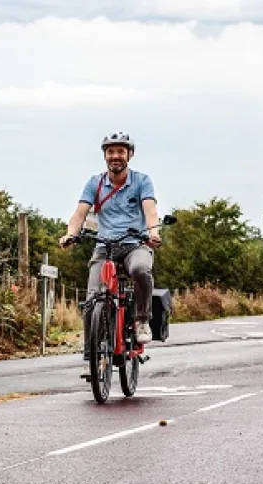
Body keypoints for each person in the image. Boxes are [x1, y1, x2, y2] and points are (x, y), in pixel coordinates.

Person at [58, 132, 160, 379]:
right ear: (105, 156)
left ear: (129, 155)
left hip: (136, 244)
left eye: (121, 151)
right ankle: (90, 360)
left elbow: (150, 210)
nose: (116, 156)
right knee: (93, 301)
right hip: (105, 246)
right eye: (111, 151)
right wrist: (70, 234)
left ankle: (142, 319)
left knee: (140, 271)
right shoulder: (95, 183)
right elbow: (80, 214)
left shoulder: (141, 181)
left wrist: (153, 232)